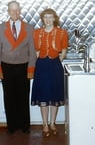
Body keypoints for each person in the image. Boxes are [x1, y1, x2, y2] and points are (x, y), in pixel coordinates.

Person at [0, 0, 36, 134]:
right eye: (12, 10)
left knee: (23, 97)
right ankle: (11, 126)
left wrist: (30, 69)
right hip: (6, 67)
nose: (15, 13)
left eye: (17, 10)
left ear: (20, 10)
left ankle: (24, 125)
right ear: (8, 12)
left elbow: (32, 52)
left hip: (23, 67)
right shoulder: (1, 28)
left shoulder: (29, 28)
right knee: (9, 97)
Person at [30, 8, 68, 137]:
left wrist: (57, 61)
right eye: (45, 17)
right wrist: (37, 64)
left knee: (54, 95)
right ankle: (45, 124)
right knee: (43, 96)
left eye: (50, 17)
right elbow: (36, 51)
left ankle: (52, 123)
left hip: (55, 66)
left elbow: (63, 51)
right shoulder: (36, 33)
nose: (47, 20)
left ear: (54, 18)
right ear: (42, 19)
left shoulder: (62, 33)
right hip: (41, 66)